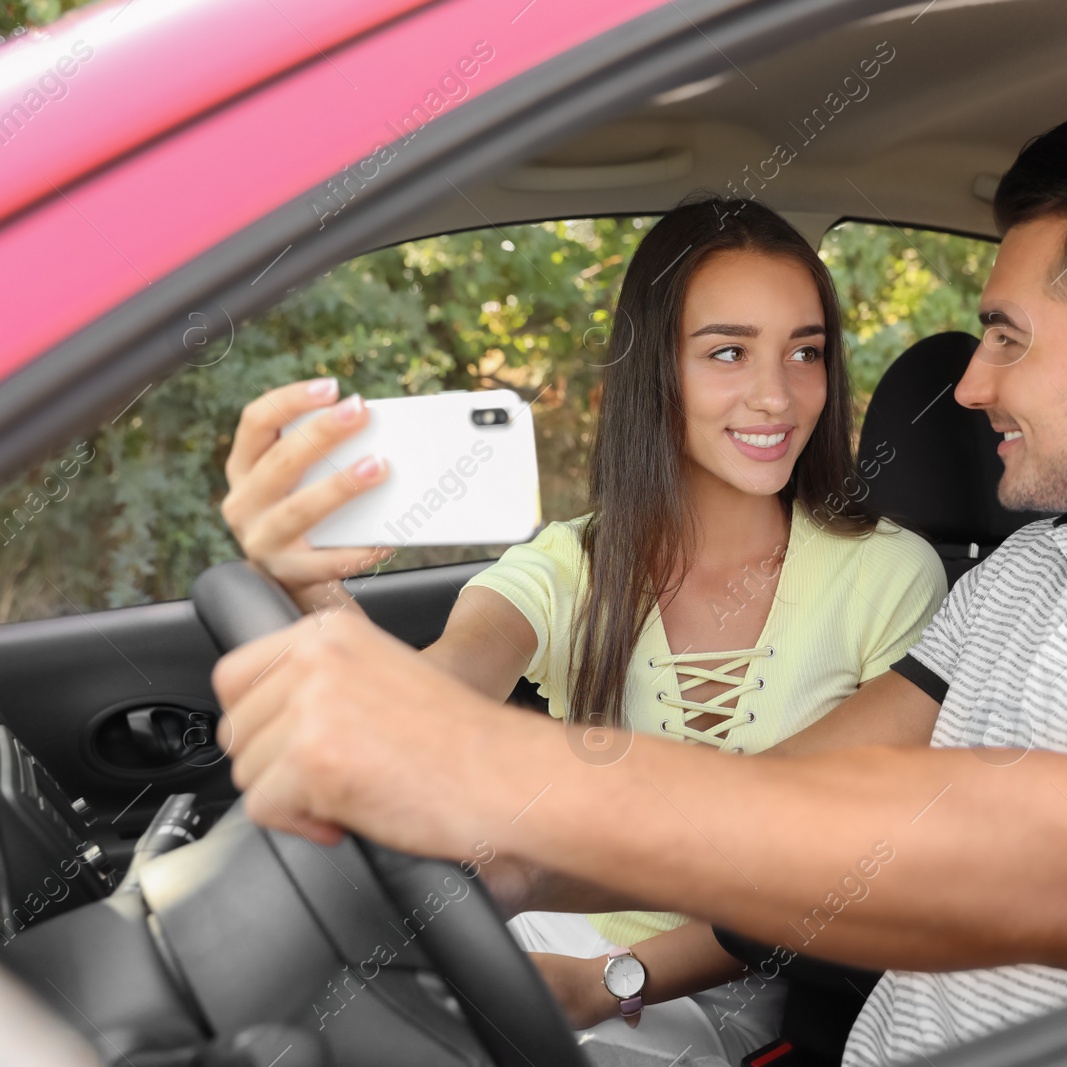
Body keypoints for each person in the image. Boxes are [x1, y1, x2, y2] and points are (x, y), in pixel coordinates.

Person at [214, 111, 1067, 1066]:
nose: (968, 385)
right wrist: (447, 797)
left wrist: (473, 762)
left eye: (1008, 339)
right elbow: (774, 807)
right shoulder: (1031, 573)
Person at [215, 195, 946, 1065]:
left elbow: (845, 863)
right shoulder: (571, 563)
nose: (776, 395)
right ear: (653, 373)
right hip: (554, 934)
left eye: (806, 352)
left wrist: (607, 980)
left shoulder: (890, 574)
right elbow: (440, 690)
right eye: (727, 352)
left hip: (740, 984)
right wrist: (309, 586)